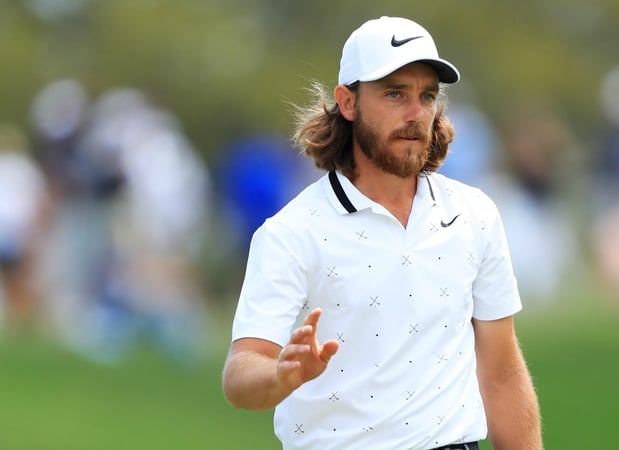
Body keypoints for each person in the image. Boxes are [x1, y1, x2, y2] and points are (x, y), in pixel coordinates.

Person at [222, 16, 542, 450]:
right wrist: (281, 374)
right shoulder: (292, 233)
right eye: (395, 94)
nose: (415, 114)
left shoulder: (473, 214)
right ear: (348, 102)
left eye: (426, 96)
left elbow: (502, 373)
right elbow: (241, 374)